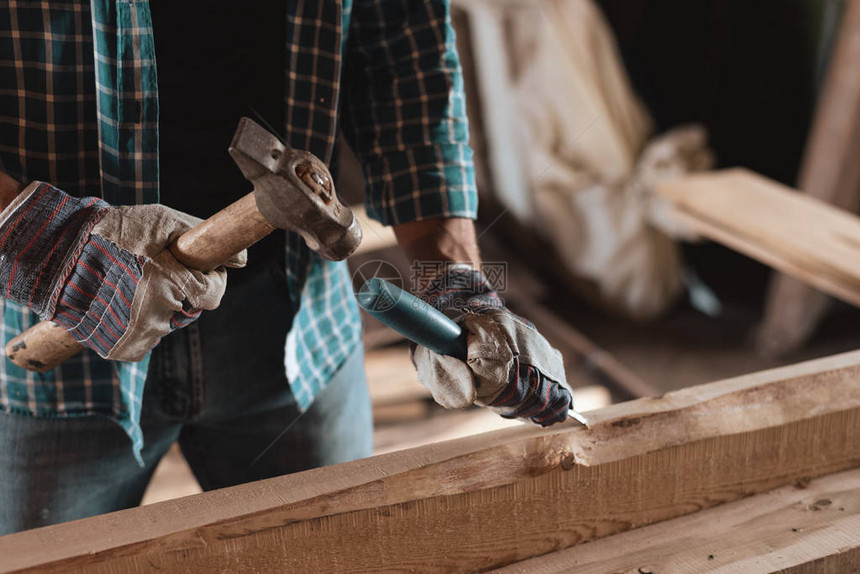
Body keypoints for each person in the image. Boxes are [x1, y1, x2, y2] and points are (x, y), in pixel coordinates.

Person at [0, 0, 572, 535]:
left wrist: (458, 282)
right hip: (51, 344)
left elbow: (406, 58)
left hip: (298, 330)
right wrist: (45, 249)